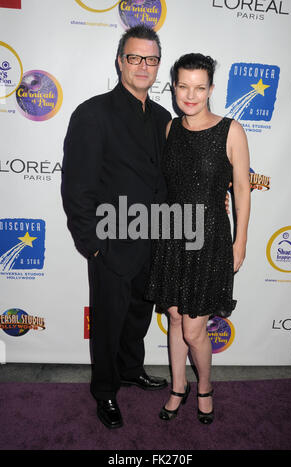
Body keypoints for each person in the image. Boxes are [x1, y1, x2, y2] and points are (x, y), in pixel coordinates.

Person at [61, 25, 171, 429]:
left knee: (139, 315)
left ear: (158, 65)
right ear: (120, 61)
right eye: (135, 57)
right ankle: (105, 390)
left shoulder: (163, 117)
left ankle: (130, 369)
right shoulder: (93, 113)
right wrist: (92, 244)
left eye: (151, 58)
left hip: (154, 239)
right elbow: (77, 186)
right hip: (109, 244)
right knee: (107, 321)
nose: (144, 66)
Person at [145, 53, 251, 425]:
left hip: (210, 240)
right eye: (183, 86)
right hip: (172, 234)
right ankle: (178, 386)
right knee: (175, 318)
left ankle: (204, 385)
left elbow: (241, 188)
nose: (191, 95)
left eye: (200, 87)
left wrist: (240, 242)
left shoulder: (231, 130)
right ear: (173, 87)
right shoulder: (170, 128)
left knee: (194, 329)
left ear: (211, 89)